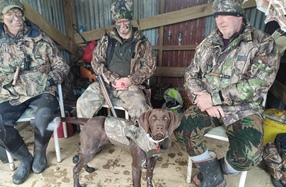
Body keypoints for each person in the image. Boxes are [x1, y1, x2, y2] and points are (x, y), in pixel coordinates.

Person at [174, 0, 280, 186]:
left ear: (239, 15)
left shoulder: (262, 43)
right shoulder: (208, 43)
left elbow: (258, 84)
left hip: (243, 109)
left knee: (250, 156)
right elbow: (191, 74)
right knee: (183, 130)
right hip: (207, 105)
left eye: (226, 15)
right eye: (217, 16)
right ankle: (214, 178)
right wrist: (202, 98)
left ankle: (214, 170)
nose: (220, 21)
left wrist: (215, 98)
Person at [0, 0, 70, 184]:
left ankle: (39, 153)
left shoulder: (40, 38)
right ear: (2, 17)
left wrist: (50, 79)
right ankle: (24, 158)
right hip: (10, 92)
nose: (16, 19)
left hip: (41, 90)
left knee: (46, 116)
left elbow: (62, 64)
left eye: (19, 14)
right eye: (10, 15)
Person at [76, 0, 155, 121]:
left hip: (130, 86)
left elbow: (149, 67)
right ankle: (87, 136)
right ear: (115, 23)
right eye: (119, 22)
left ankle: (141, 137)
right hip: (106, 83)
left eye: (125, 21)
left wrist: (130, 80)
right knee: (83, 103)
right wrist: (113, 79)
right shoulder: (107, 39)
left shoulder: (142, 42)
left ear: (130, 20)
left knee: (140, 107)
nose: (122, 25)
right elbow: (96, 62)